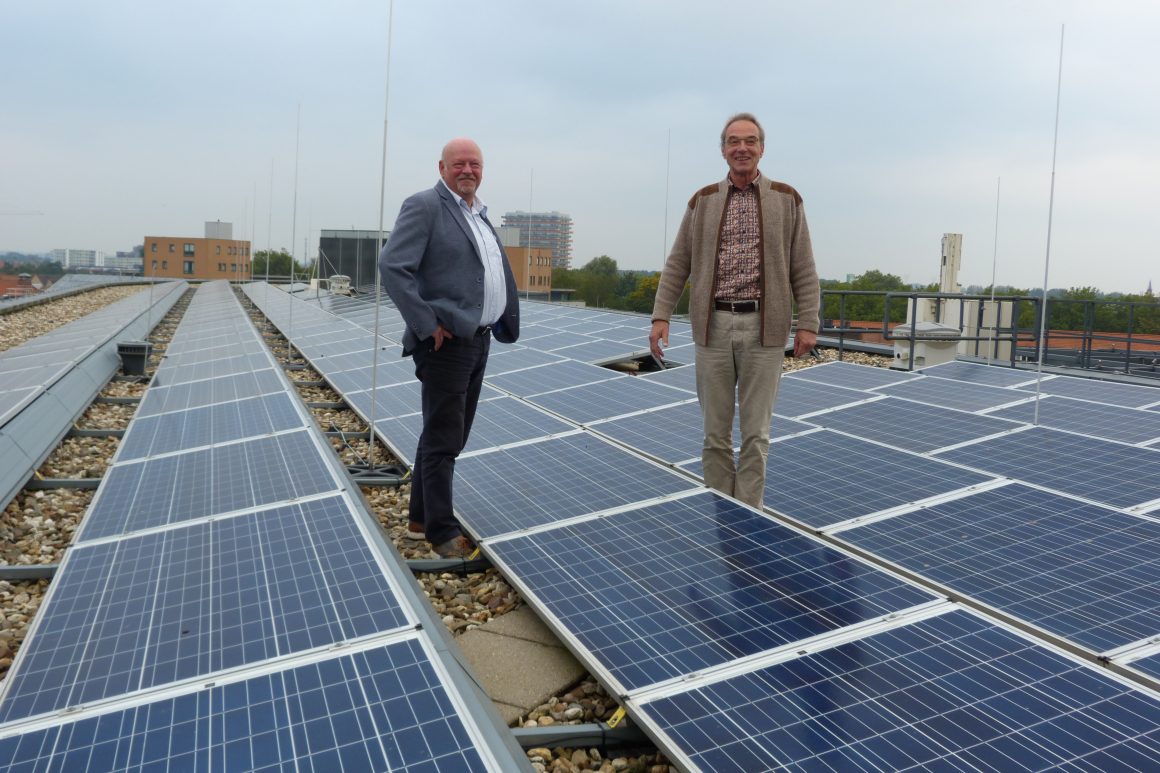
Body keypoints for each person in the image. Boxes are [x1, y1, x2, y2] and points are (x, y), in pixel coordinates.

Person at [649, 113, 820, 508]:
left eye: (750, 141)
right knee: (715, 435)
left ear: (762, 148)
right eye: (733, 141)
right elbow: (678, 263)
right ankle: (720, 513)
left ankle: (749, 517)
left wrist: (807, 322)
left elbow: (804, 267)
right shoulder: (703, 200)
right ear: (723, 149)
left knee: (756, 435)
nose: (741, 148)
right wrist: (661, 316)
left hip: (766, 328)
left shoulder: (787, 199)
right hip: (713, 327)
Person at [380, 137, 520, 557]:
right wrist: (427, 325)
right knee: (444, 439)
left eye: (474, 164)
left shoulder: (479, 214)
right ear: (442, 167)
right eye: (459, 164)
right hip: (446, 344)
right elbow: (392, 266)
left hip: (478, 341)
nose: (467, 170)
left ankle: (420, 518)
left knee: (446, 434)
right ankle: (442, 532)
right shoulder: (425, 206)